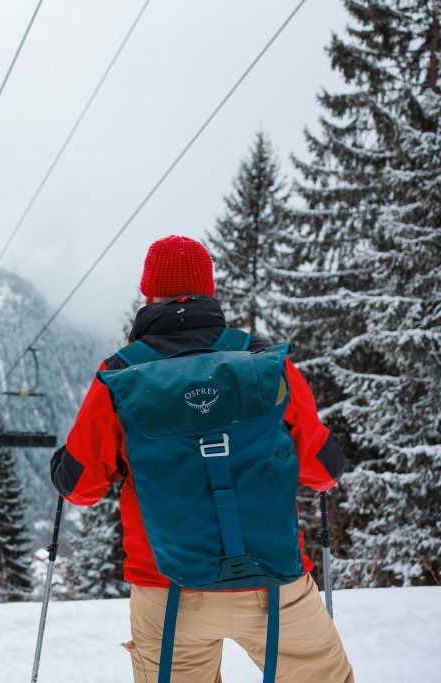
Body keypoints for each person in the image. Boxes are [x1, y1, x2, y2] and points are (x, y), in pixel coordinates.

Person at [50, 235, 354, 682]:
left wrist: (63, 465)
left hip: (167, 592)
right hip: (273, 586)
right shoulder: (264, 363)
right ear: (208, 292)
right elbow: (323, 472)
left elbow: (80, 487)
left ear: (148, 295)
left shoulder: (121, 375)